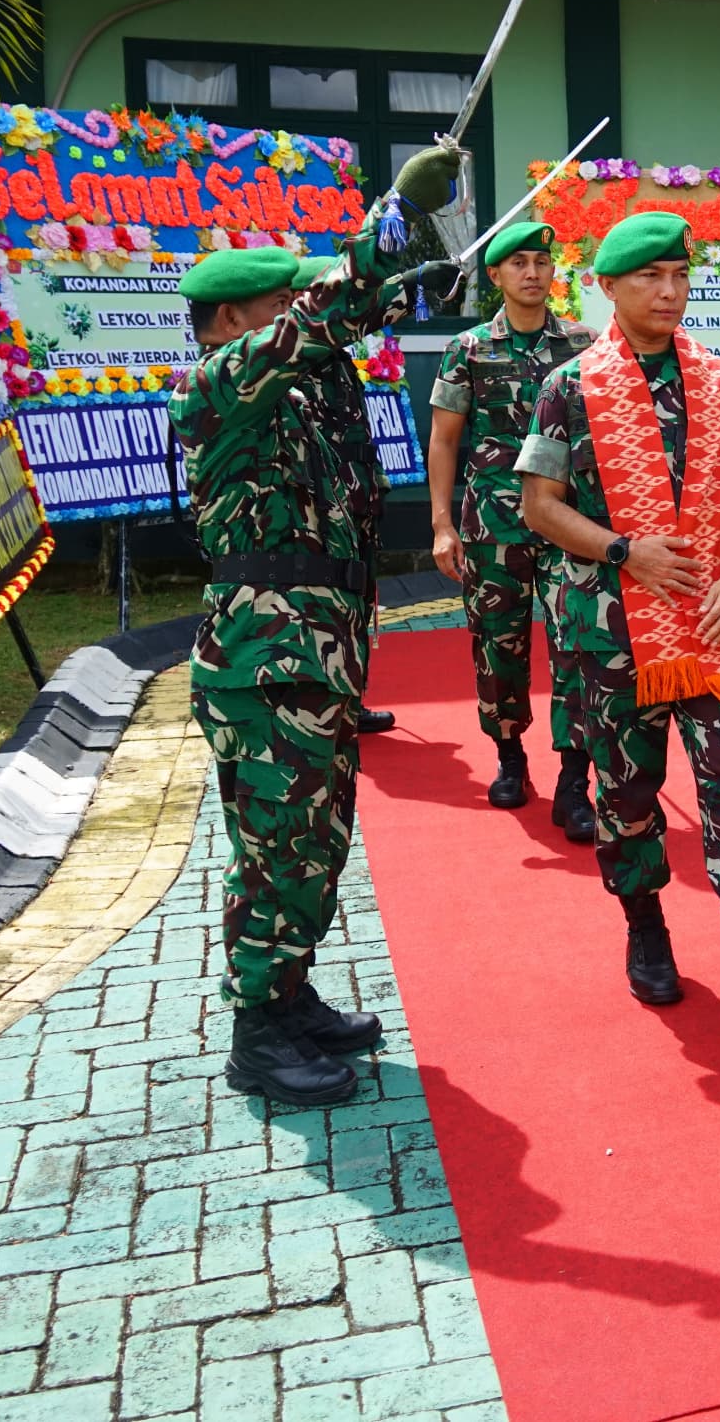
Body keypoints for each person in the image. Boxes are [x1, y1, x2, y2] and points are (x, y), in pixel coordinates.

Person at [172, 152, 462, 1108]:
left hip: (317, 655)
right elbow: (322, 320)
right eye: (276, 305)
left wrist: (418, 255)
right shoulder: (222, 387)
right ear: (230, 320)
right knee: (276, 845)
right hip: (264, 663)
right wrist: (392, 215)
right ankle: (258, 1032)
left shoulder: (295, 389)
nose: (294, 316)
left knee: (315, 840)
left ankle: (288, 996)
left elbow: (342, 326)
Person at [516, 210, 720, 1019]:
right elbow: (539, 506)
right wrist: (626, 552)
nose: (669, 291)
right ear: (610, 289)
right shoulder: (570, 385)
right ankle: (645, 929)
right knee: (628, 793)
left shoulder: (719, 380)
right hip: (611, 627)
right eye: (650, 278)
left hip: (717, 623)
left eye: (679, 275)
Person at [427, 220, 598, 838]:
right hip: (493, 524)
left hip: (566, 522)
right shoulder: (469, 350)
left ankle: (575, 780)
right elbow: (445, 440)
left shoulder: (584, 343)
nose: (533, 272)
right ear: (495, 276)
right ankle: (509, 756)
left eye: (542, 262)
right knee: (498, 646)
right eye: (518, 263)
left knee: (577, 645)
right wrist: (443, 524)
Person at [291, 254, 403, 735]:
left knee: (358, 603)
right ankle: (325, 705)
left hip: (358, 507)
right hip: (321, 518)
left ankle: (351, 702)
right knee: (325, 611)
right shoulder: (297, 365)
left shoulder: (336, 361)